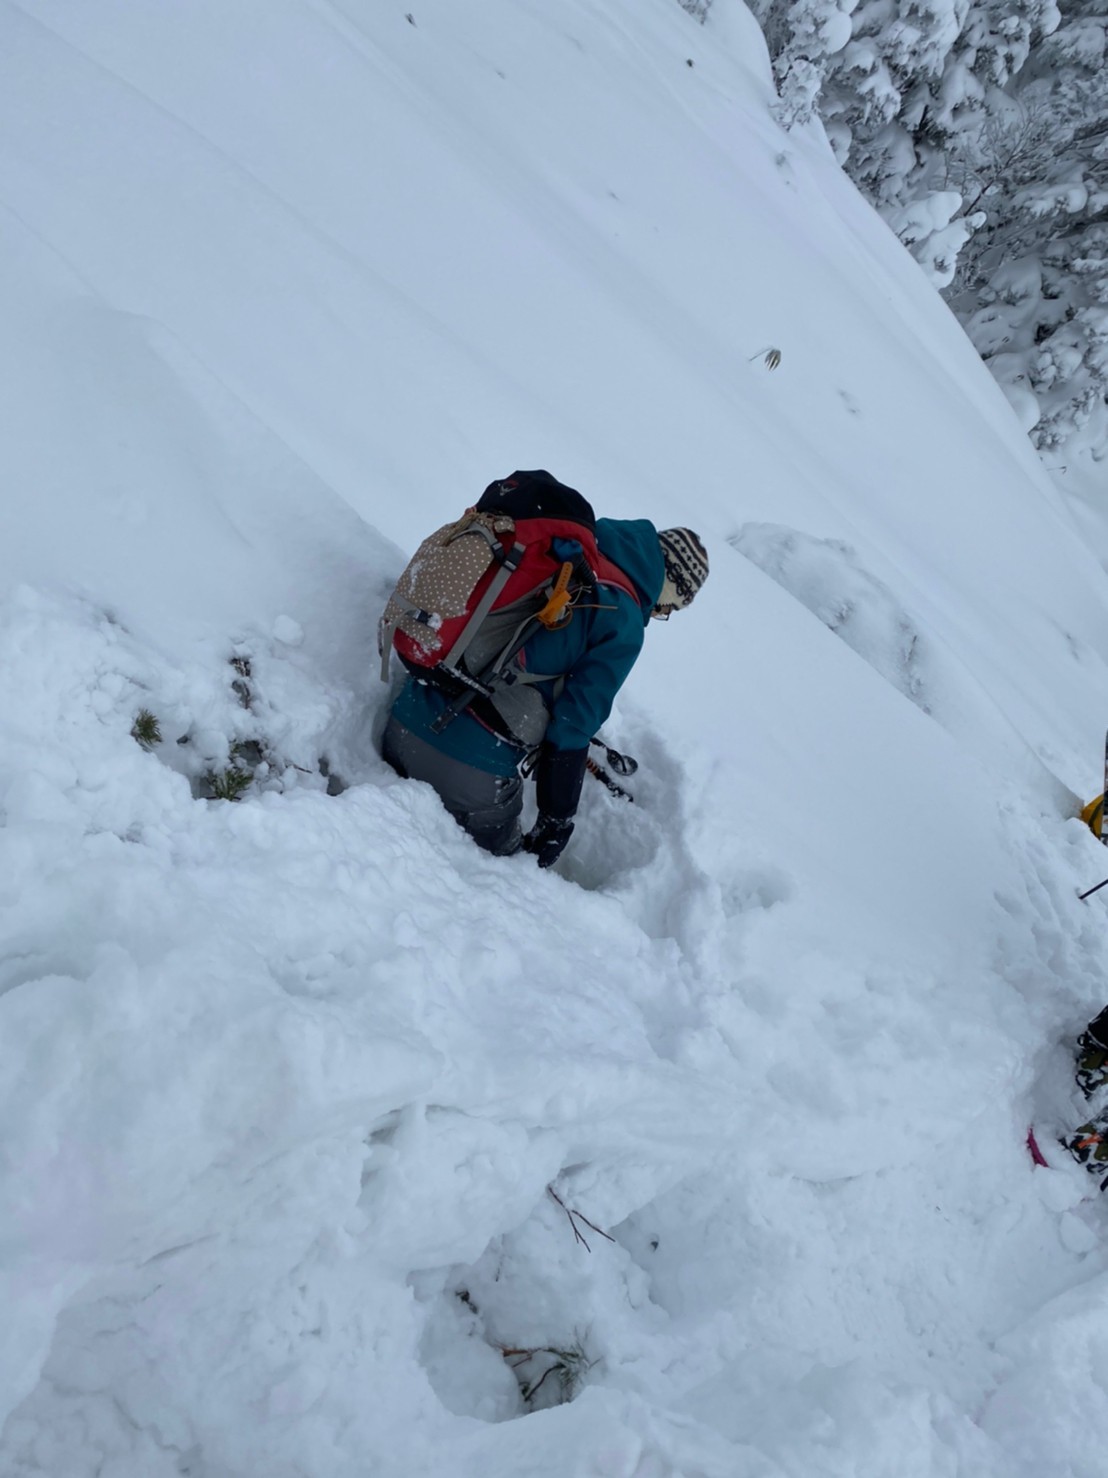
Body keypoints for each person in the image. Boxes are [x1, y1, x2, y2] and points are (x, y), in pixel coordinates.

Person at [380, 471, 708, 866]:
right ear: (669, 583)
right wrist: (557, 821)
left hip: (403, 722)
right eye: (671, 606)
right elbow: (573, 724)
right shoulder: (622, 620)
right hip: (469, 771)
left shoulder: (564, 551)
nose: (661, 613)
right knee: (506, 872)